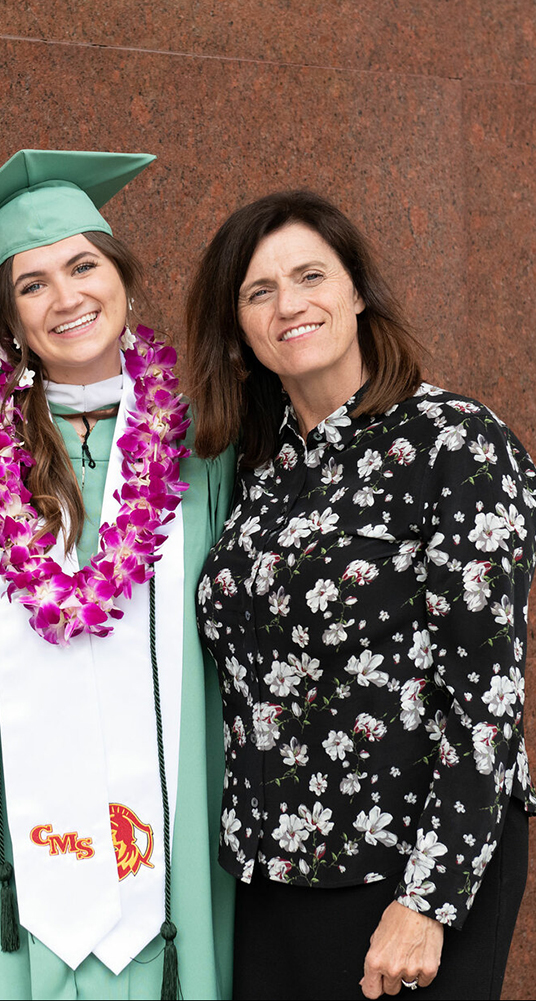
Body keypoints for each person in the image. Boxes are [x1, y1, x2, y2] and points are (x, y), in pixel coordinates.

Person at [0, 149, 236, 1000]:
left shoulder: (206, 449)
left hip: (166, 831)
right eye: (33, 284)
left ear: (124, 279)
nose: (67, 297)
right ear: (8, 317)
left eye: (83, 265)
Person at [185, 189, 536, 1000]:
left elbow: (486, 700)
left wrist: (428, 899)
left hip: (406, 871)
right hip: (272, 871)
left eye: (311, 275)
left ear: (356, 292)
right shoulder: (258, 471)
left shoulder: (455, 442)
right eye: (258, 291)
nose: (290, 304)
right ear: (236, 325)